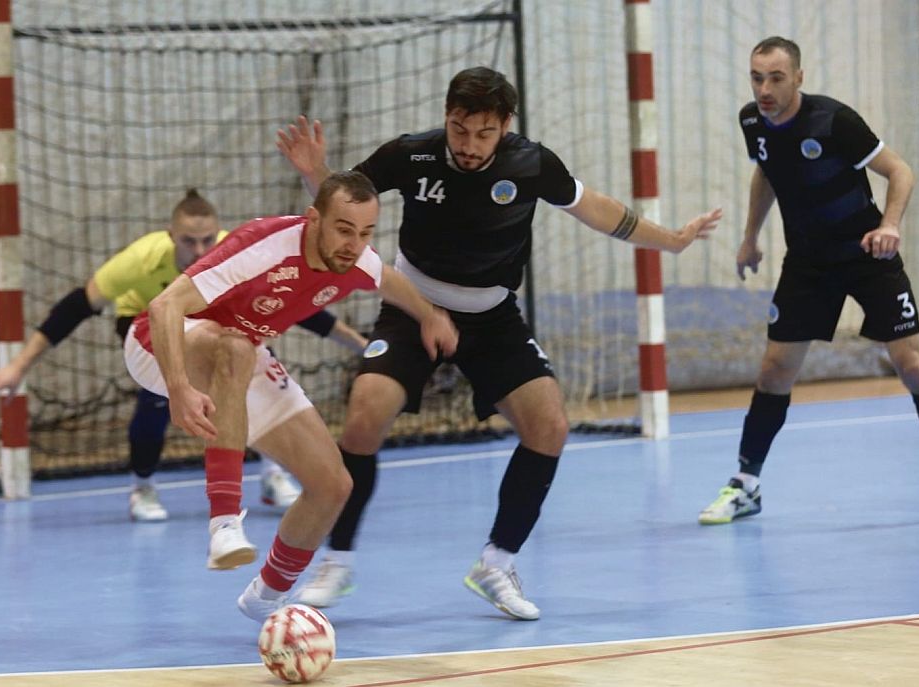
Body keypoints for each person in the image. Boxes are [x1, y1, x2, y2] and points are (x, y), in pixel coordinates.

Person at [275, 66, 722, 620]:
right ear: (447, 117)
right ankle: (337, 561)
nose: (468, 144)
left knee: (549, 425)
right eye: (459, 129)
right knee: (365, 414)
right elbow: (343, 203)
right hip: (414, 307)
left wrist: (671, 241)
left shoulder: (531, 164)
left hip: (492, 317)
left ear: (504, 125)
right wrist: (314, 170)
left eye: (482, 133)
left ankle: (496, 562)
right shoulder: (410, 155)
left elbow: (599, 209)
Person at [123, 170, 457, 622]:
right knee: (237, 348)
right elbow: (164, 307)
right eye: (343, 229)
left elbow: (390, 280)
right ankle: (224, 525)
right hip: (158, 343)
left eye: (365, 233)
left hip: (237, 350)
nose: (353, 244)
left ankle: (264, 600)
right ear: (313, 219)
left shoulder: (355, 259)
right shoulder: (264, 245)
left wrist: (428, 315)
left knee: (333, 486)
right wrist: (179, 389)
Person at [697, 36, 919, 526]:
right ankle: (746, 485)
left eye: (776, 78)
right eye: (756, 77)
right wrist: (750, 237)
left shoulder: (834, 121)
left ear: (799, 78)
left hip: (867, 253)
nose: (764, 88)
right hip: (808, 262)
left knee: (911, 365)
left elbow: (900, 172)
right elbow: (765, 173)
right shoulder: (752, 121)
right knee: (773, 371)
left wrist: (889, 225)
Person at [0, 189, 367, 520]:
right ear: (170, 236)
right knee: (158, 397)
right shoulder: (142, 258)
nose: (199, 249)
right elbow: (76, 307)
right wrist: (18, 367)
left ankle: (270, 472)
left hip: (214, 325)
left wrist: (360, 347)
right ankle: (142, 486)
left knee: (253, 364)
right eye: (188, 242)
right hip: (145, 323)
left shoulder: (237, 250)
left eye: (207, 240)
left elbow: (307, 308)